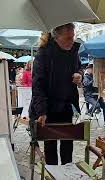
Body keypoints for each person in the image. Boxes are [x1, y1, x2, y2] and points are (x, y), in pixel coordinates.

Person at [29, 23, 82, 165]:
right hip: (49, 108)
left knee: (67, 147)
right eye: (68, 38)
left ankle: (67, 173)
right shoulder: (43, 54)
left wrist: (79, 74)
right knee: (50, 147)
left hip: (66, 106)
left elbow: (79, 67)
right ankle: (53, 174)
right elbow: (38, 85)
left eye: (73, 37)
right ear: (56, 37)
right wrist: (41, 111)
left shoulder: (73, 52)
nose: (72, 41)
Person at [83, 64, 105, 128]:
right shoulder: (86, 77)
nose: (93, 70)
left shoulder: (95, 76)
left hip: (97, 95)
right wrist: (94, 80)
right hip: (89, 96)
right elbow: (86, 85)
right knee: (96, 105)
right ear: (88, 69)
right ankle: (89, 112)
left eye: (94, 69)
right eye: (92, 69)